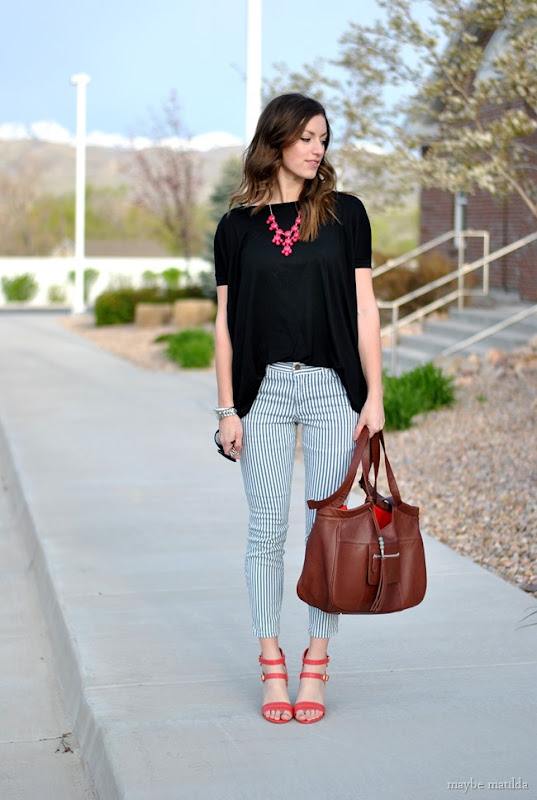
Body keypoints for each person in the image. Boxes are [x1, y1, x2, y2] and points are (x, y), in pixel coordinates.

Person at [213, 93, 384, 724]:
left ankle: (316, 660)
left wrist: (376, 393)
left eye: (324, 139)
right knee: (264, 532)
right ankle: (270, 663)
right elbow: (225, 324)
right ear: (278, 139)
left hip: (332, 390)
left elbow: (366, 309)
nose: (318, 148)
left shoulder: (347, 215)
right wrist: (227, 408)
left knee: (326, 532)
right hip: (262, 394)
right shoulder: (235, 227)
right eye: (307, 137)